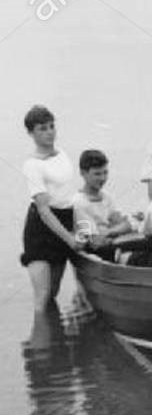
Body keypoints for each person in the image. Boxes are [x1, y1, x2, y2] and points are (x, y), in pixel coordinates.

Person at [19, 105, 81, 306]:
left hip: (65, 219)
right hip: (42, 227)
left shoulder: (62, 154)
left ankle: (53, 336)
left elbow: (69, 193)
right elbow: (44, 210)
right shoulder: (32, 164)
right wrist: (70, 239)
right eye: (42, 129)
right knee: (42, 296)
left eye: (51, 126)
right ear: (31, 133)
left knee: (53, 290)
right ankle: (41, 334)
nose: (49, 132)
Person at [71, 149, 135, 261]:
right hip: (95, 251)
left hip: (111, 244)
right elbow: (94, 241)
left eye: (105, 173)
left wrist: (109, 232)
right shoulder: (78, 203)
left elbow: (126, 224)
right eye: (97, 174)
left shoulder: (107, 197)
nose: (103, 178)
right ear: (83, 173)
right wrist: (117, 230)